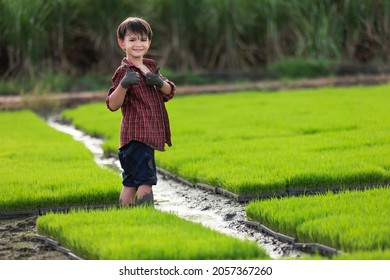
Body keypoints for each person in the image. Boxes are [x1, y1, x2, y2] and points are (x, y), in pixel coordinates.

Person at [106, 17, 176, 207]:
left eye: (143, 39)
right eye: (132, 40)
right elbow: (112, 104)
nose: (138, 44)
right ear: (122, 43)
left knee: (130, 182)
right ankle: (146, 216)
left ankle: (125, 217)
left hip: (143, 137)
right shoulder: (124, 71)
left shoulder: (151, 67)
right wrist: (124, 85)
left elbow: (170, 92)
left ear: (149, 42)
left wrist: (159, 82)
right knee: (146, 181)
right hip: (138, 138)